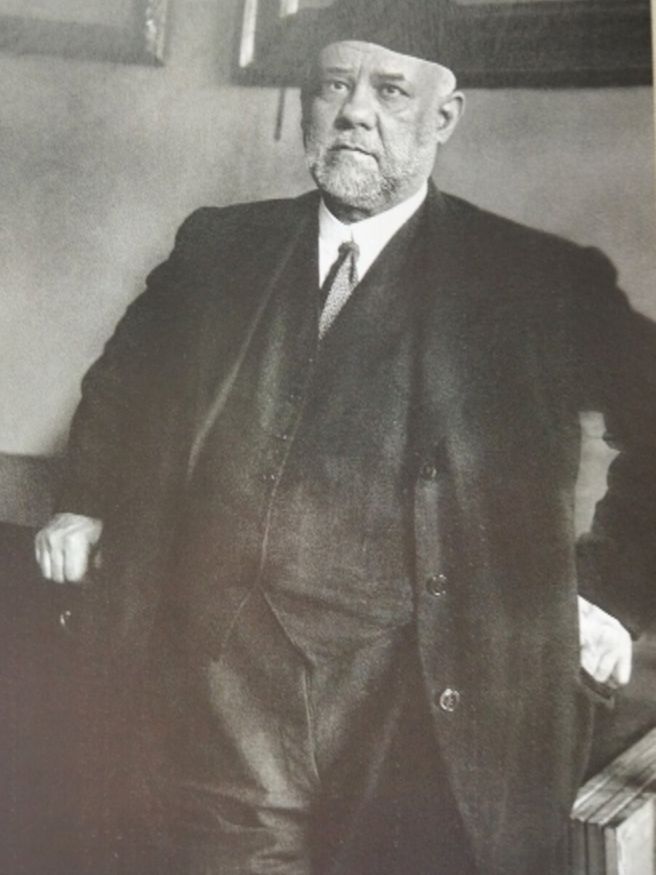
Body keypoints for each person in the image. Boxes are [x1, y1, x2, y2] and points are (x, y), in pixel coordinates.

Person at [35, 1, 655, 872]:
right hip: (223, 704)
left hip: (428, 716)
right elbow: (124, 383)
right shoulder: (220, 247)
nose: (356, 111)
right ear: (308, 103)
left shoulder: (533, 281)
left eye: (391, 90)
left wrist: (611, 593)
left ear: (444, 116)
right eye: (335, 85)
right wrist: (87, 500)